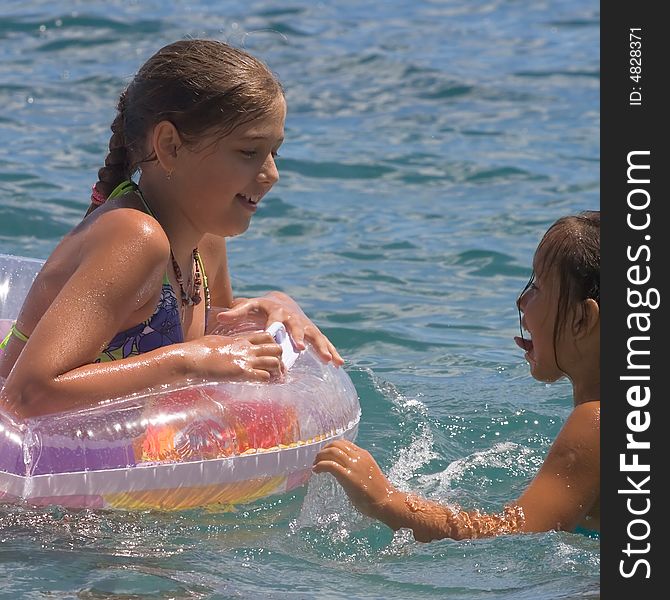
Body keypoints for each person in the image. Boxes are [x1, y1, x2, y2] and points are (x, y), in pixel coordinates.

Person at [0, 39, 343, 419]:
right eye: (249, 152)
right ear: (170, 146)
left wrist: (276, 305)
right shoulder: (133, 237)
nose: (272, 175)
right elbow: (26, 394)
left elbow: (212, 338)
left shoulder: (204, 241)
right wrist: (185, 362)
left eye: (274, 152)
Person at [314, 211, 600, 541]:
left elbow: (514, 535)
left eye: (537, 286)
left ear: (581, 319)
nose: (522, 300)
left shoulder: (593, 422)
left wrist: (384, 498)